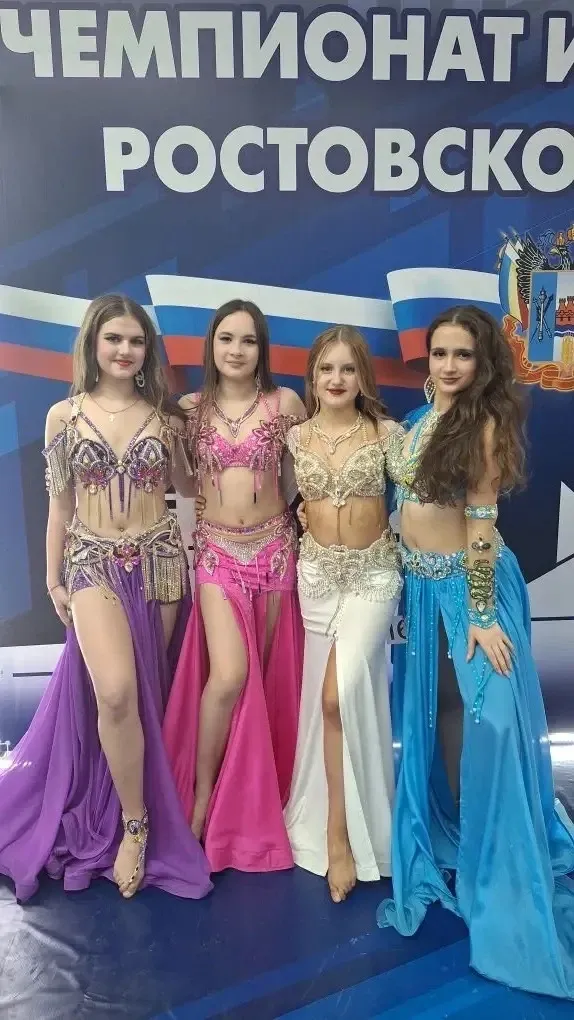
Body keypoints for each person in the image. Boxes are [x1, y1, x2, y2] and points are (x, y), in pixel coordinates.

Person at [377, 305, 574, 999]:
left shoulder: (484, 425)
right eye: (440, 354)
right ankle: (459, 823)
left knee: (491, 717)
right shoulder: (418, 417)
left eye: (462, 355)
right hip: (423, 589)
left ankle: (498, 846)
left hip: (471, 587)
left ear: (482, 361)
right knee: (445, 712)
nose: (450, 365)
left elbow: (482, 527)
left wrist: (483, 616)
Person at [0, 295, 212, 902]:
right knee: (115, 691)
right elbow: (58, 507)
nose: (124, 350)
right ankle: (136, 828)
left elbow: (191, 490)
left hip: (160, 563)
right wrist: (53, 580)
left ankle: (133, 803)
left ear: (149, 350)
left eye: (136, 341)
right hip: (91, 562)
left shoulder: (166, 420)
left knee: (149, 692)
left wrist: (196, 431)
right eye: (114, 338)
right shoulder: (63, 416)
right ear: (93, 343)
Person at [163, 299, 306, 873]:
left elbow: (300, 476)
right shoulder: (190, 410)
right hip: (217, 554)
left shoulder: (285, 403)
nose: (237, 350)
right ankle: (202, 801)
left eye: (248, 340)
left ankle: (257, 801)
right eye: (227, 339)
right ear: (212, 345)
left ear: (261, 348)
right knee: (229, 676)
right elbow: (182, 484)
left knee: (266, 682)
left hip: (275, 551)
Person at [284, 326, 403, 903]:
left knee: (339, 696)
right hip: (315, 578)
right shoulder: (294, 436)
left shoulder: (387, 434)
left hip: (373, 577)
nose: (336, 379)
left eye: (348, 369)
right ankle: (331, 824)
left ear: (362, 377)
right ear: (312, 377)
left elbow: (425, 494)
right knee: (323, 700)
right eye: (326, 368)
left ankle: (341, 838)